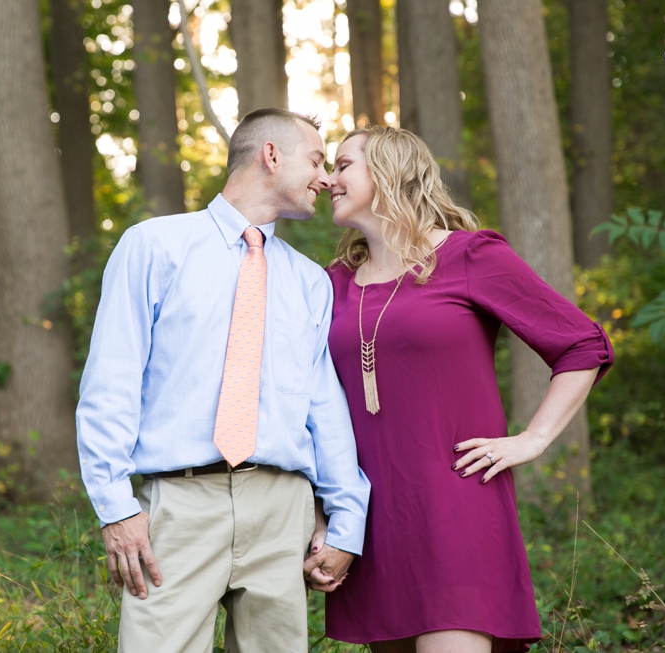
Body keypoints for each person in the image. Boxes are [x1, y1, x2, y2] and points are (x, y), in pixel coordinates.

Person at [306, 126, 613, 653]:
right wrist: (323, 517)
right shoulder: (331, 283)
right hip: (372, 519)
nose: (329, 179)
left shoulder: (469, 256)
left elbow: (582, 344)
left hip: (456, 508)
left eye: (343, 164)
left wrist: (532, 439)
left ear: (388, 170)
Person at [76, 108, 371, 653]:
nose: (326, 178)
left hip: (283, 509)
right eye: (315, 159)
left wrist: (345, 518)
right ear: (271, 155)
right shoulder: (154, 246)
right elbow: (111, 384)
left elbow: (323, 407)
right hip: (181, 504)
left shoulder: (309, 282)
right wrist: (117, 507)